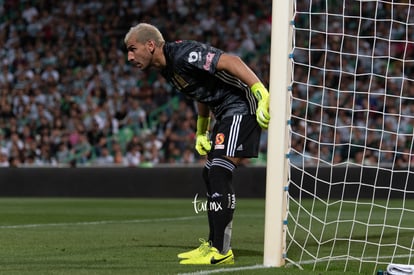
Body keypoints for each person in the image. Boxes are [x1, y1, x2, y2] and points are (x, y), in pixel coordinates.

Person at [124, 23, 270, 265]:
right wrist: (201, 130)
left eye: (132, 49)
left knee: (220, 172)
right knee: (210, 173)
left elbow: (231, 61)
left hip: (242, 106)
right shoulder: (167, 70)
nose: (129, 57)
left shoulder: (183, 54)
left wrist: (261, 92)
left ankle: (222, 252)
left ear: (150, 45)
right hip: (224, 112)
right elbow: (200, 93)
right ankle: (214, 246)